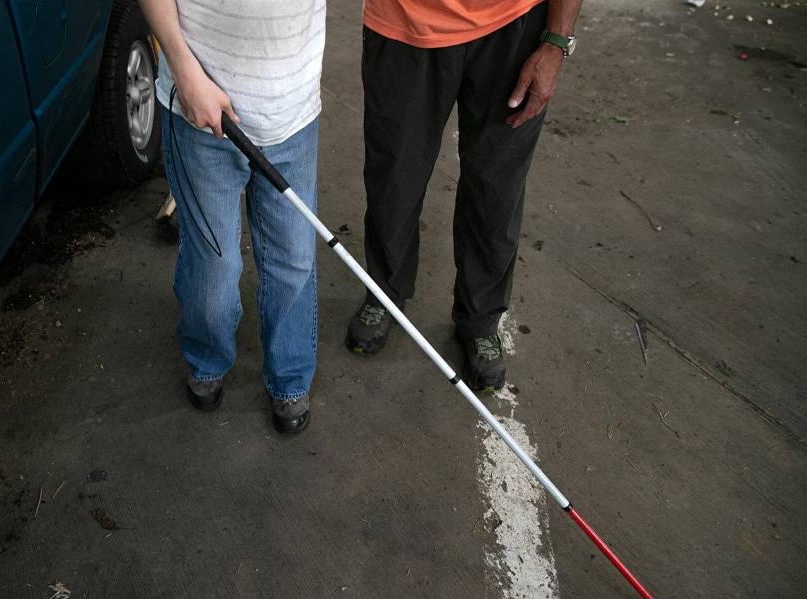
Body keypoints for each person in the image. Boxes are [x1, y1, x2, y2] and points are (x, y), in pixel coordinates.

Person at [345, 0, 582, 392]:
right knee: (394, 179)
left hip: (515, 23)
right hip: (405, 23)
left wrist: (556, 42)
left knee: (496, 190)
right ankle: (385, 291)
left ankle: (480, 318)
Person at [139, 0, 326, 434]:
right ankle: (207, 359)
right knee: (214, 264)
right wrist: (183, 69)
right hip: (200, 108)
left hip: (292, 113)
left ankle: (290, 375)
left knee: (293, 258)